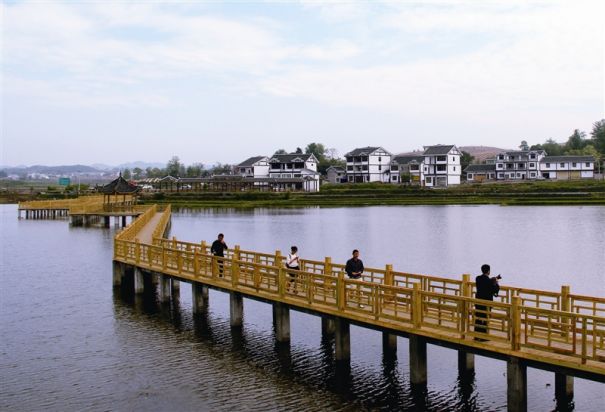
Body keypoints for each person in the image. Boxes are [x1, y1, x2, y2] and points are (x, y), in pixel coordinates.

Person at [474, 263, 500, 339]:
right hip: (487, 303)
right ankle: (483, 337)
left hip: (478, 301)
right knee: (485, 319)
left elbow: (484, 282)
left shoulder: (477, 278)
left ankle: (476, 335)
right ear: (488, 271)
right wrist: (496, 282)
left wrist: (492, 280)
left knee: (478, 318)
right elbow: (495, 290)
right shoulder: (490, 282)